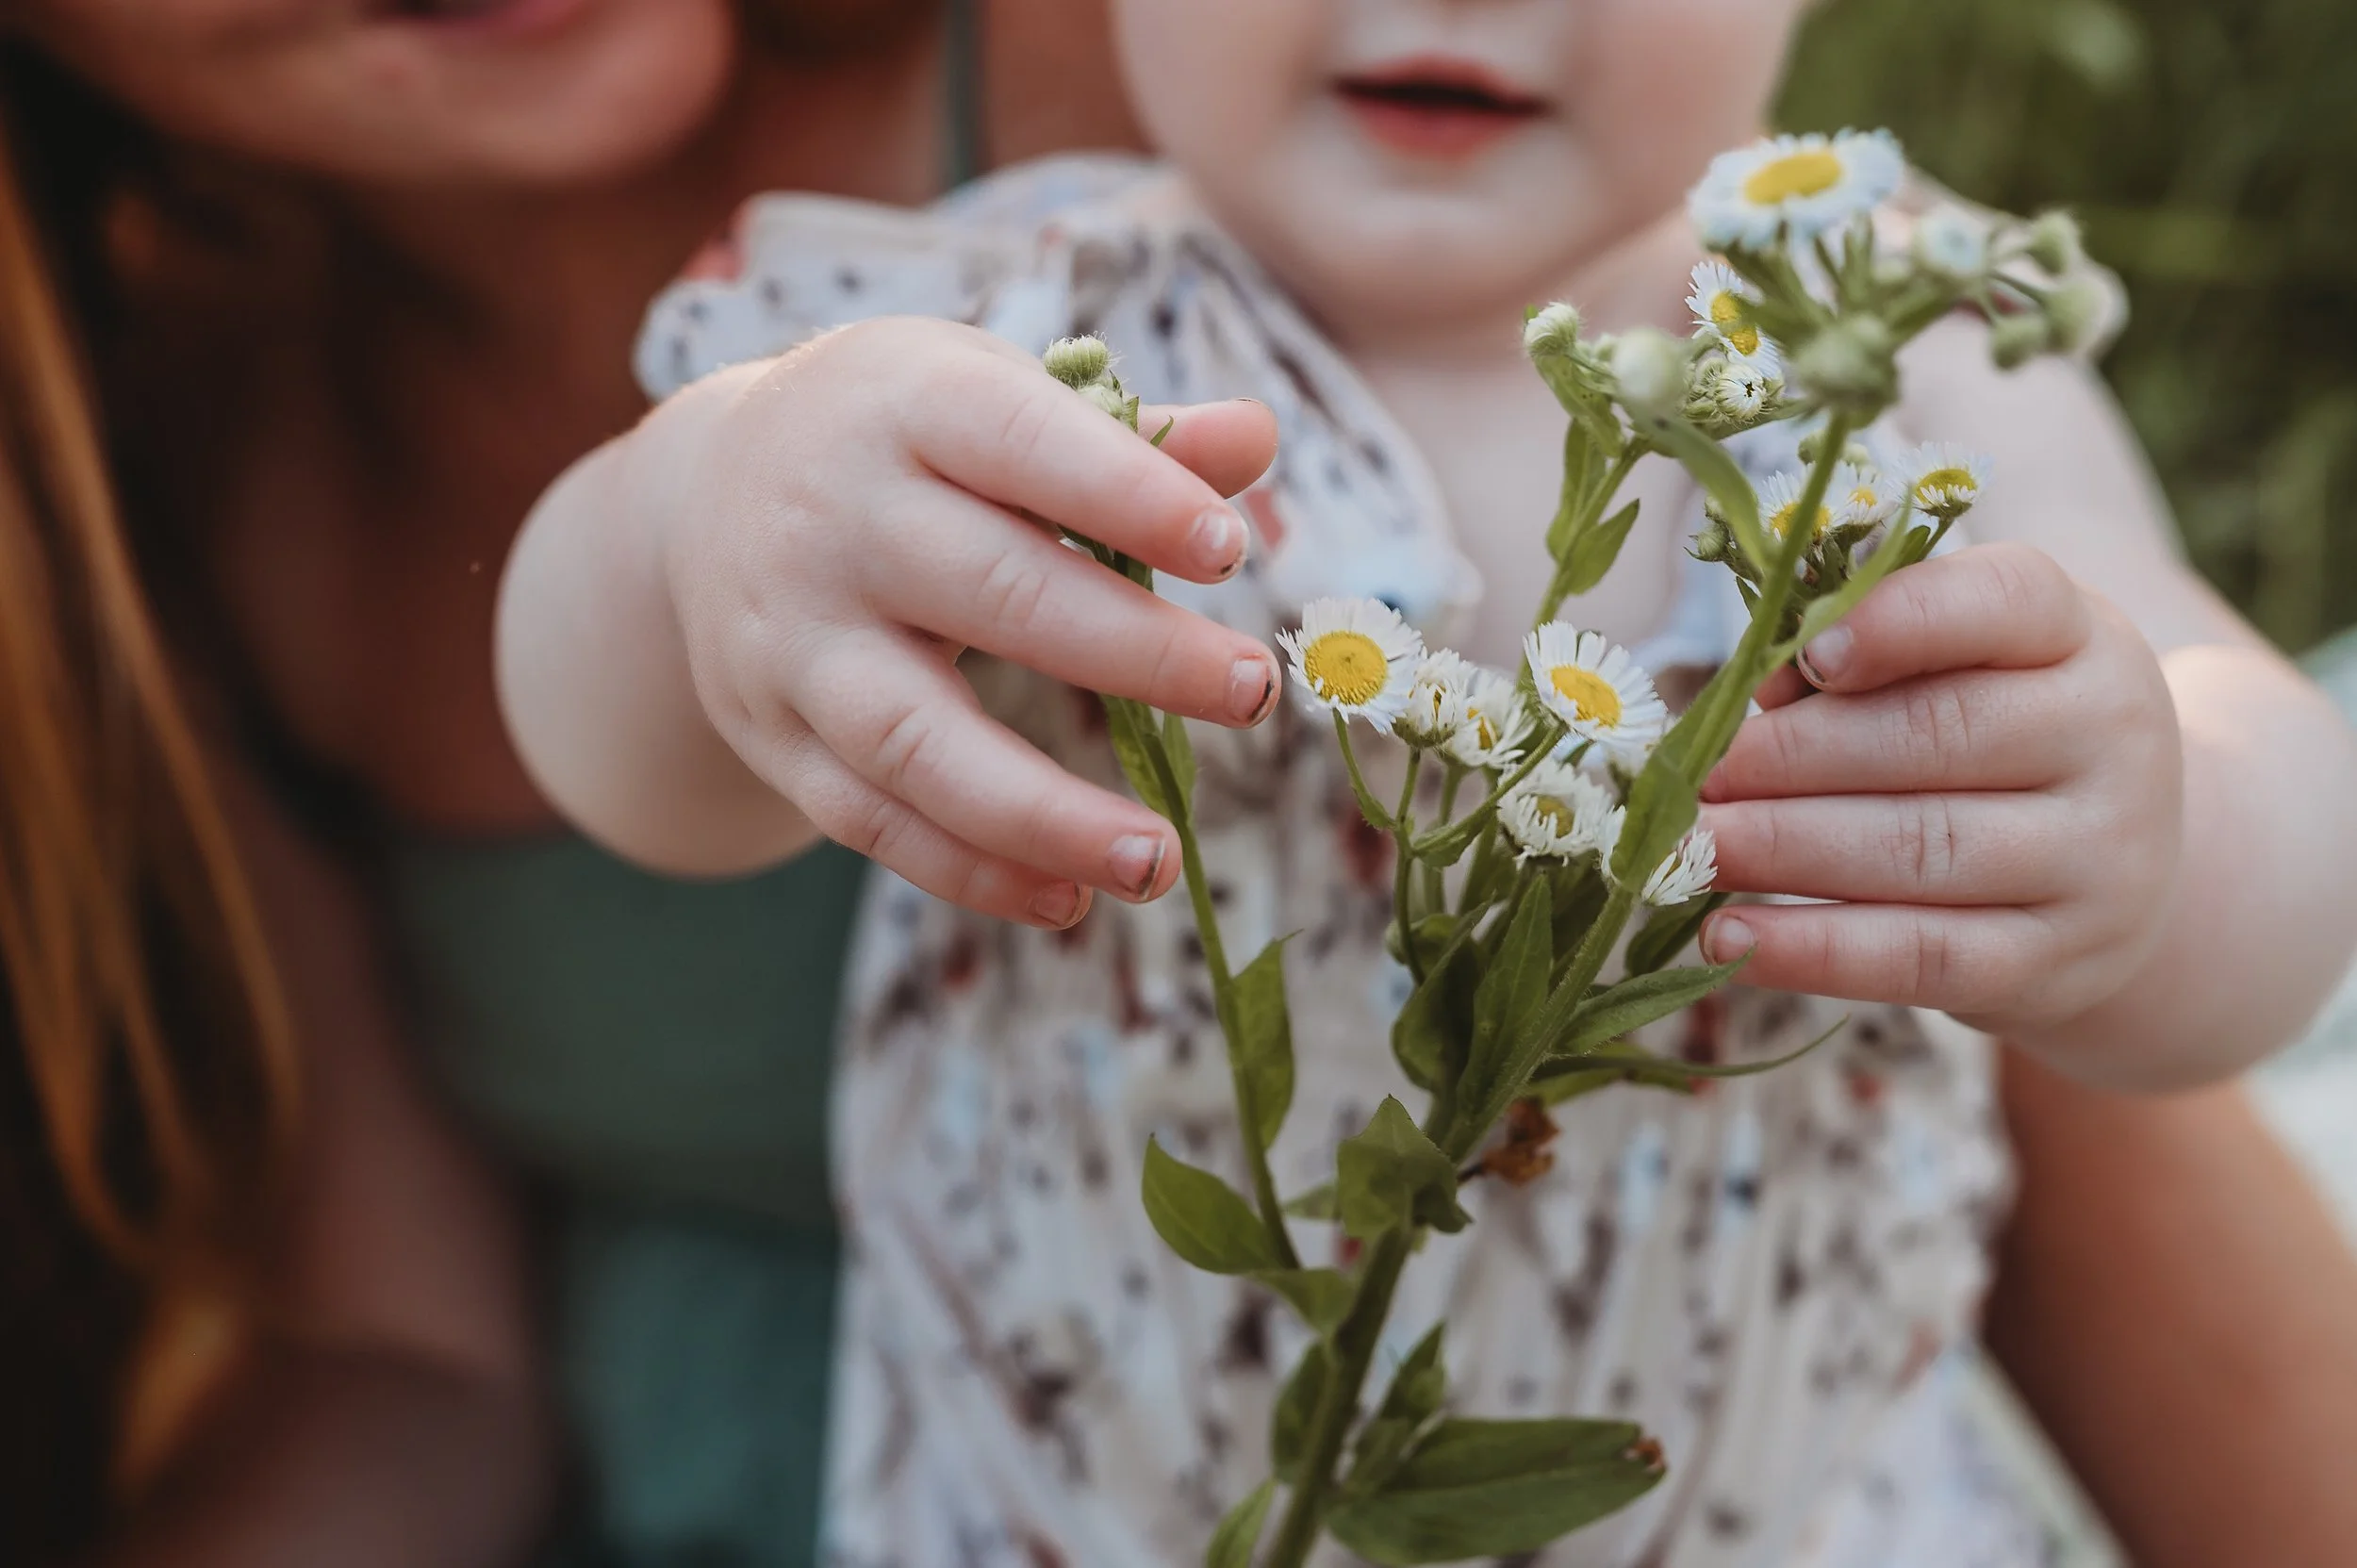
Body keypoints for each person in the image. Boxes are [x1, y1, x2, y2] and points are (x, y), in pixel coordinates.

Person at [3, 1, 2353, 1565]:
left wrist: (2148, 844)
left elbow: (2249, 800)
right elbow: (627, 757)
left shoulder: (1878, 337)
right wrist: (703, 532)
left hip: (1780, 1504)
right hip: (1067, 1501)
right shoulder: (994, 311)